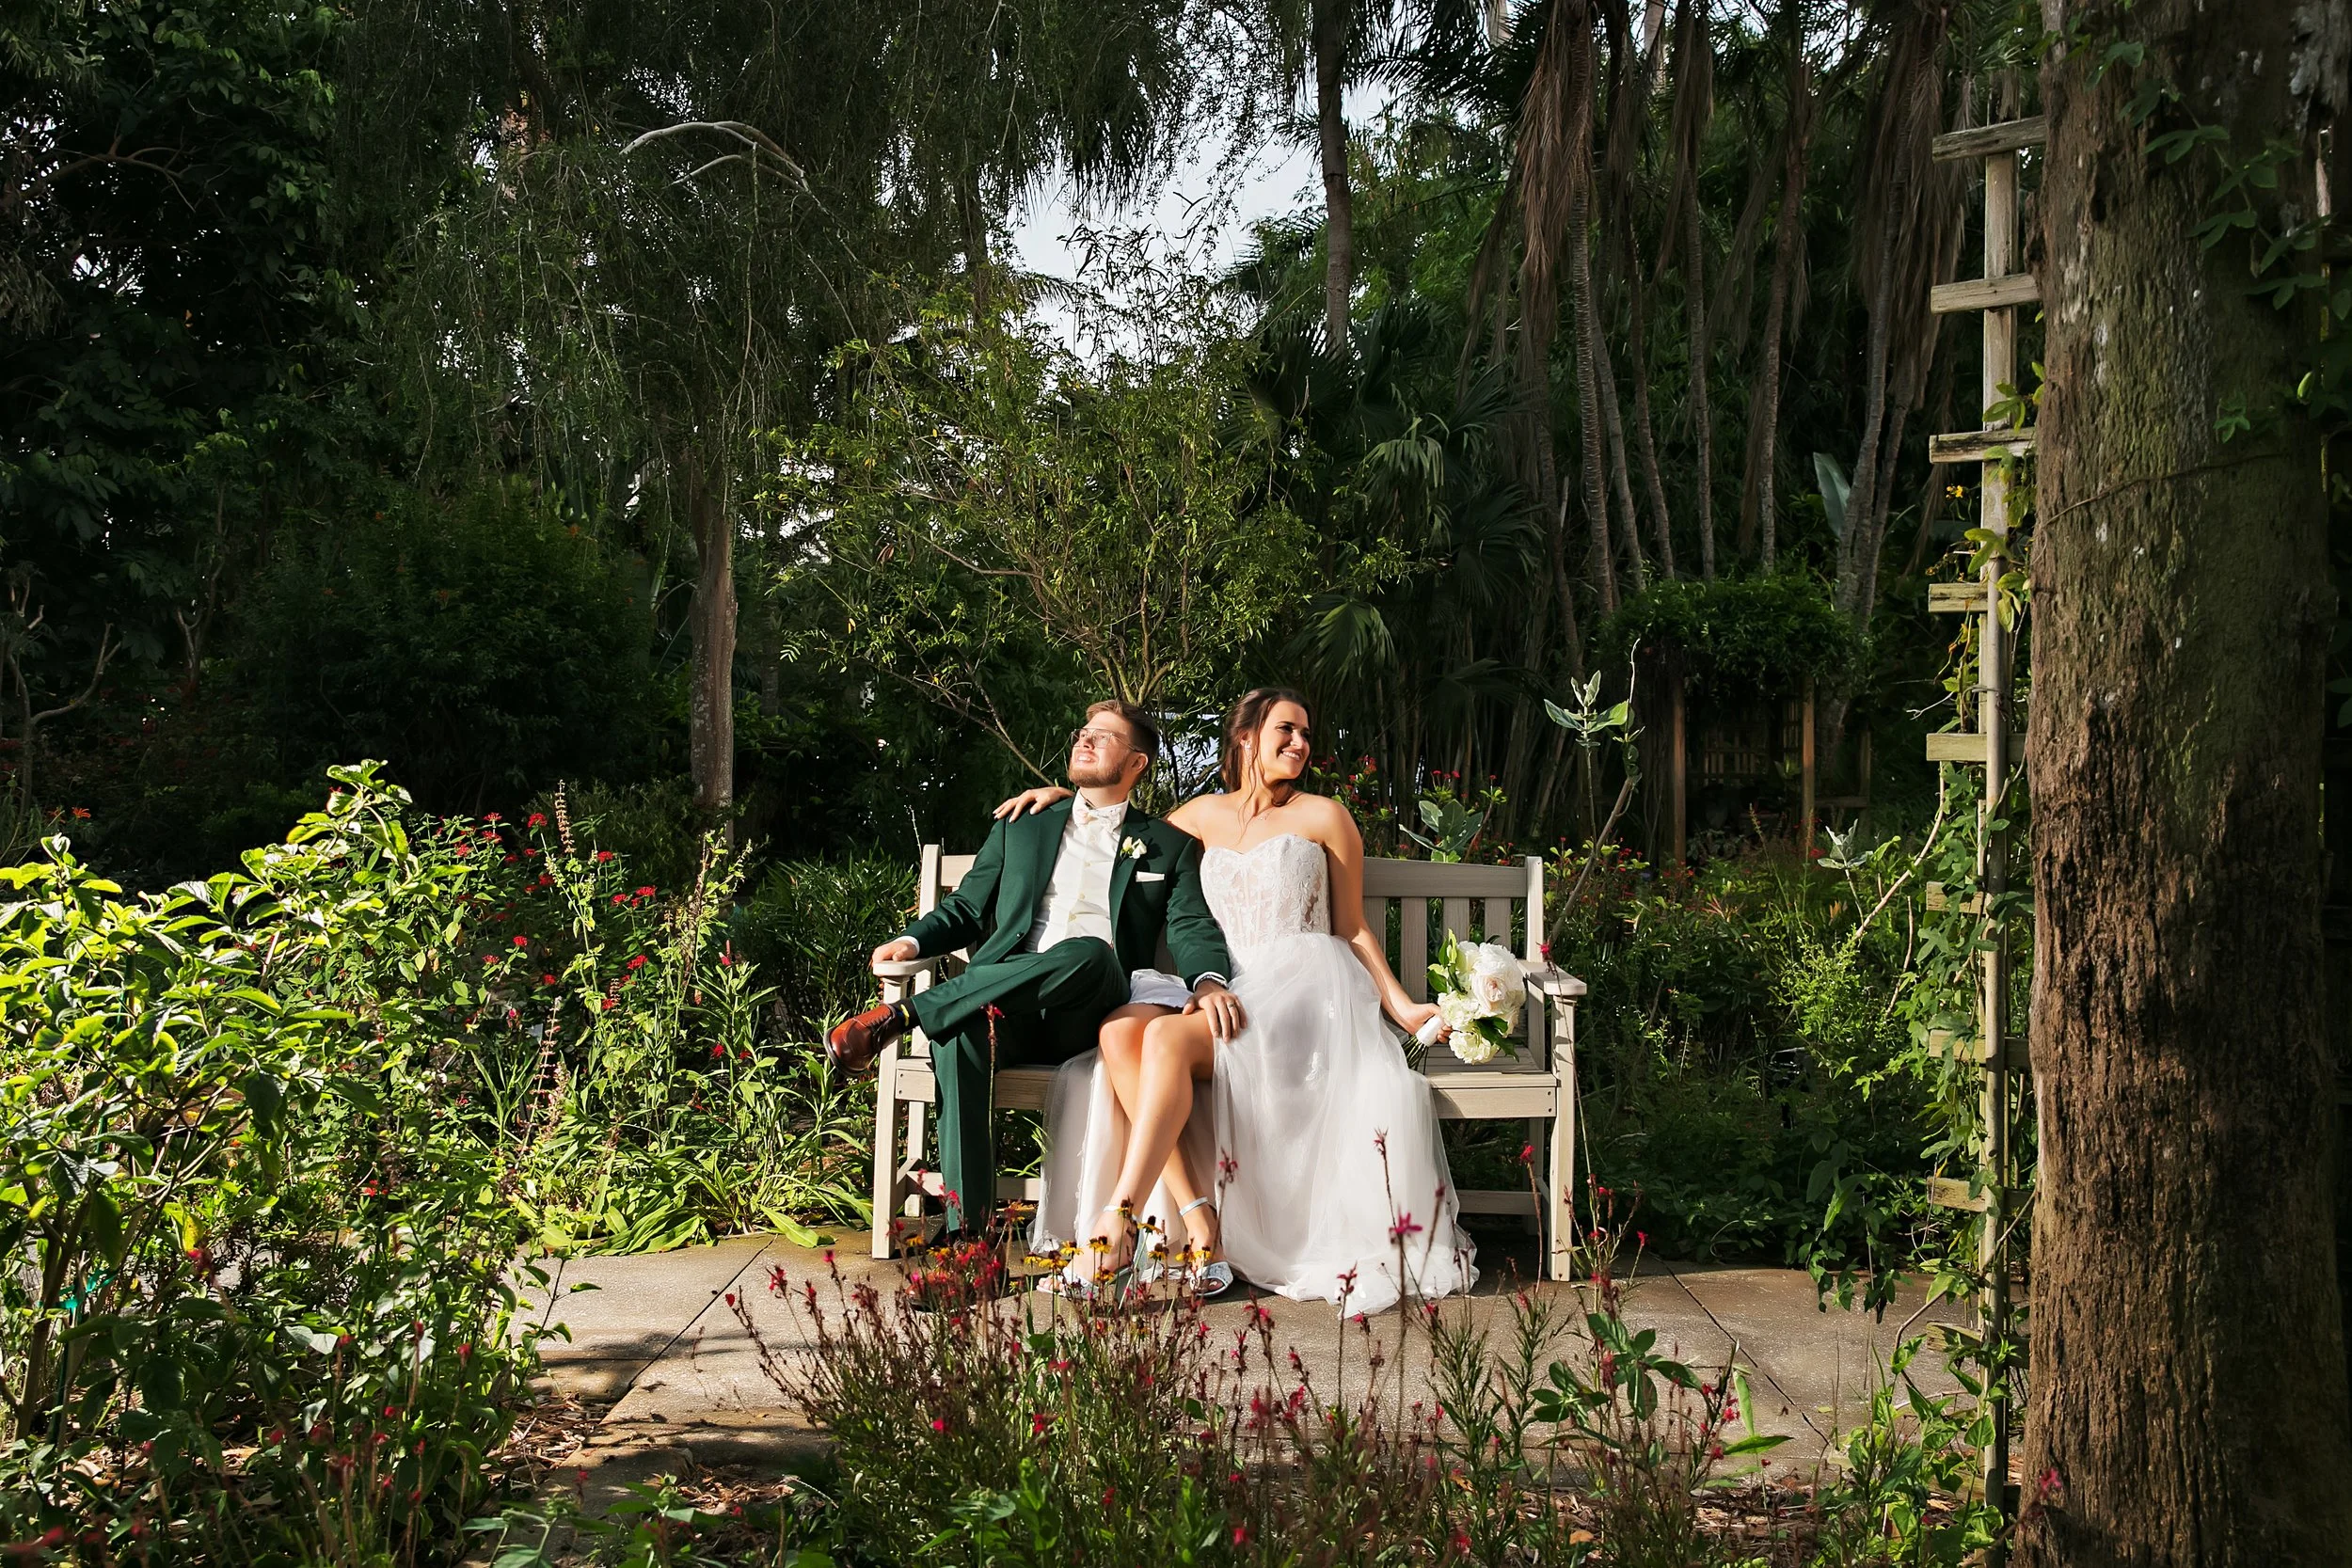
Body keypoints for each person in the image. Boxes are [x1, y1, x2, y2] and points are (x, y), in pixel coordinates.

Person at [1003, 688, 1478, 1312]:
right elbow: (1121, 828)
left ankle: (1115, 1225)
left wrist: (1402, 1007)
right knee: (1120, 1031)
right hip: (1231, 988)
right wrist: (1069, 800)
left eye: (1306, 734)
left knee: (1165, 1037)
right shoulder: (1200, 816)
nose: (1300, 744)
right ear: (1247, 737)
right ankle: (1203, 1230)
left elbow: (1352, 926)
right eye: (1286, 730)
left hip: (1305, 991)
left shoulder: (1324, 816)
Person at [827, 701, 1238, 1249]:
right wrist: (914, 941)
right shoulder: (1021, 825)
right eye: (1083, 732)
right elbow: (967, 908)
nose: (1085, 741)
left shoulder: (1169, 845)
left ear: (1137, 763)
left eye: (1104, 737)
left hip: (1090, 1008)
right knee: (958, 1037)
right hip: (1006, 1008)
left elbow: (1190, 926)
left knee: (1090, 952)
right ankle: (971, 1242)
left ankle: (905, 1015)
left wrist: (1208, 979)